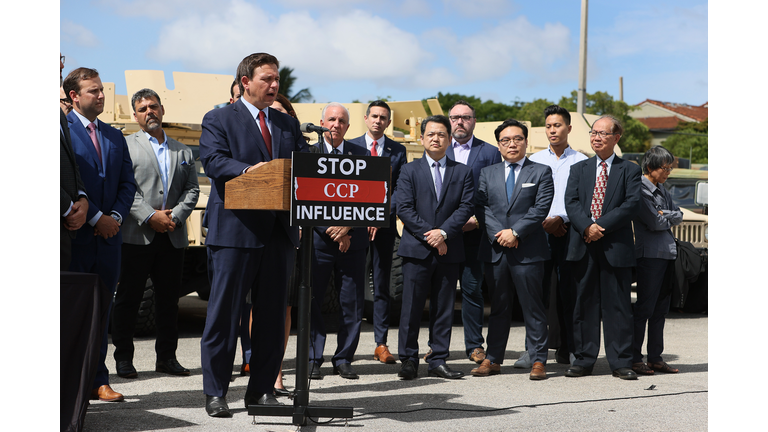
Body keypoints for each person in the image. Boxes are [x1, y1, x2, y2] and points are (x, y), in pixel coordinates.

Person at [198, 52, 308, 417]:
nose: (274, 86)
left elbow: (305, 167)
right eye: (267, 79)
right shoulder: (218, 118)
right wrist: (251, 170)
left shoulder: (286, 124)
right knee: (224, 316)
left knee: (272, 318)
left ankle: (261, 391)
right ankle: (216, 392)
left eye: (277, 80)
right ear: (245, 81)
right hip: (235, 232)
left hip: (278, 234)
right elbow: (213, 161)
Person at [111, 88, 200, 379]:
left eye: (154, 106)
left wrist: (175, 215)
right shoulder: (126, 145)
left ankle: (167, 358)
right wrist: (150, 215)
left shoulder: (183, 150)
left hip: (172, 236)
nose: (150, 111)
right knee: (128, 298)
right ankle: (124, 358)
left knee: (168, 300)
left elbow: (192, 188)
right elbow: (125, 188)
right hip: (137, 235)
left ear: (162, 109)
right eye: (143, 108)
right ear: (135, 116)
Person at [64, 67, 137, 402]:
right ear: (74, 96)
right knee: (71, 313)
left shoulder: (114, 136)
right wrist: (96, 218)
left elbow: (126, 183)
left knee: (102, 311)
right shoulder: (62, 131)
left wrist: (116, 218)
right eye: (93, 91)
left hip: (110, 240)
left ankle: (97, 379)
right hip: (76, 237)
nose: (101, 96)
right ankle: (69, 383)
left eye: (102, 90)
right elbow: (67, 183)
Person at [472, 119, 554, 380]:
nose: (512, 144)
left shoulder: (541, 171)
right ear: (498, 145)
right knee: (498, 307)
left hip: (528, 250)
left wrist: (515, 232)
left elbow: (540, 209)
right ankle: (493, 359)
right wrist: (501, 235)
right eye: (505, 140)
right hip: (497, 250)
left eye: (517, 138)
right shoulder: (487, 173)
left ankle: (539, 359)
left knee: (533, 307)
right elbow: (482, 208)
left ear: (526, 141)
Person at [396, 115, 474, 380]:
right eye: (430, 134)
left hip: (449, 249)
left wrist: (443, 233)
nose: (436, 139)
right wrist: (430, 235)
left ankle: (438, 358)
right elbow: (403, 208)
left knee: (444, 307)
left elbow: (466, 207)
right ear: (421, 139)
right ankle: (408, 359)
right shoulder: (409, 170)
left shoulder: (462, 172)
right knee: (411, 308)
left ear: (450, 139)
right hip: (416, 249)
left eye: (441, 134)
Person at [564, 115, 641, 380]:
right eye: (593, 133)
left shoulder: (629, 170)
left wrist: (600, 226)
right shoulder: (580, 169)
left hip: (615, 247)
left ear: (616, 138)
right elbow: (571, 202)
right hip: (584, 244)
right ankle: (584, 359)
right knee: (584, 304)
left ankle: (620, 361)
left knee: (618, 306)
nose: (596, 137)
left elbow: (630, 204)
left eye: (603, 133)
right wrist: (587, 226)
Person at [308, 102, 370, 380]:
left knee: (352, 304)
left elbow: (371, 198)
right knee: (312, 301)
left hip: (353, 242)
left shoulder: (362, 154)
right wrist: (331, 230)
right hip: (318, 242)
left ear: (348, 126)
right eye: (331, 120)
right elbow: (303, 198)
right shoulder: (307, 153)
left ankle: (344, 358)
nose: (336, 125)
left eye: (341, 121)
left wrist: (349, 228)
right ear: (321, 123)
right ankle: (312, 358)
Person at [347, 100, 407, 364]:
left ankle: (381, 344)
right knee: (353, 285)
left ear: (388, 121)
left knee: (382, 286)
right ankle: (348, 346)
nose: (378, 121)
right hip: (355, 227)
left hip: (384, 228)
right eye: (374, 116)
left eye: (383, 117)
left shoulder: (398, 150)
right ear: (365, 118)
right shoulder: (351, 147)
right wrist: (364, 216)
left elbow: (399, 189)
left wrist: (378, 215)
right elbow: (346, 186)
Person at [529, 105, 588, 366]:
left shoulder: (582, 162)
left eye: (558, 125)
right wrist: (543, 221)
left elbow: (581, 202)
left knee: (569, 292)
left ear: (569, 128)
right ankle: (534, 351)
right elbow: (526, 200)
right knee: (536, 294)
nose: (553, 130)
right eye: (549, 126)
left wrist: (561, 219)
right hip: (537, 233)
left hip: (568, 232)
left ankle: (570, 348)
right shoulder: (534, 161)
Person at [443, 100, 501, 365]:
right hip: (444, 234)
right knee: (442, 290)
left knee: (472, 289)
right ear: (449, 120)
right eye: (455, 117)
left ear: (474, 121)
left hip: (475, 233)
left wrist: (477, 221)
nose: (460, 122)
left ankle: (475, 345)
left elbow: (494, 194)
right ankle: (437, 346)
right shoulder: (438, 148)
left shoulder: (489, 152)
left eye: (465, 117)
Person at [631, 146, 682, 375]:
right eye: (665, 168)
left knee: (660, 310)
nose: (667, 172)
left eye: (670, 168)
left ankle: (655, 357)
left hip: (667, 254)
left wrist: (666, 215)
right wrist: (666, 217)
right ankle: (634, 357)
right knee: (644, 308)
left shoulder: (663, 190)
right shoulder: (640, 190)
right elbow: (653, 222)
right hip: (650, 256)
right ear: (650, 167)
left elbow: (678, 214)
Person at [271, 92, 301, 395]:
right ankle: (259, 364)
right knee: (258, 308)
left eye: (283, 112)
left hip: (292, 235)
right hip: (259, 233)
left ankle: (277, 372)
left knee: (286, 308)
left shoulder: (297, 146)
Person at [60, 53, 88, 270]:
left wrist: (82, 198)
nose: (61, 64)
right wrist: (68, 207)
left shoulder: (59, 116)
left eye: (60, 57)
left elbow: (70, 164)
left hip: (65, 232)